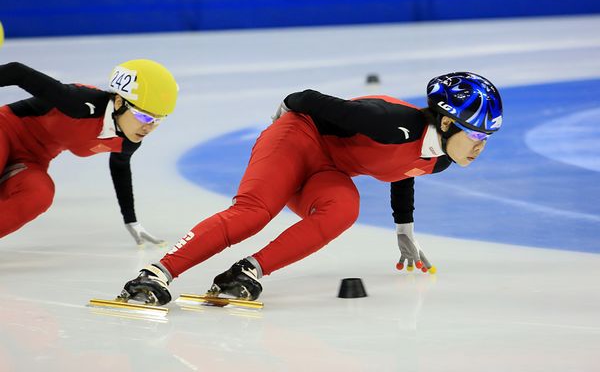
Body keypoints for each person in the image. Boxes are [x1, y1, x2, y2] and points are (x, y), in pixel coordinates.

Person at [120, 72, 503, 305]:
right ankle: (154, 274)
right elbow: (307, 99)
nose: (480, 146)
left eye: (488, 137)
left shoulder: (441, 159)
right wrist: (281, 120)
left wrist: (404, 230)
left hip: (327, 169)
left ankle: (246, 272)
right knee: (254, 212)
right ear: (448, 124)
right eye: (475, 134)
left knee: (344, 208)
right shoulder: (389, 121)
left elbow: (405, 172)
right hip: (295, 138)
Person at [0, 59, 178, 245]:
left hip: (31, 160)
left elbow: (120, 168)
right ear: (119, 102)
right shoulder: (81, 102)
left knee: (39, 194)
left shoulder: (128, 141)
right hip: (5, 128)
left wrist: (131, 219)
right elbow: (16, 72)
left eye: (158, 120)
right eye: (144, 116)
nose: (149, 127)